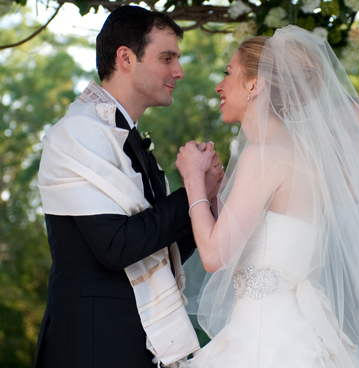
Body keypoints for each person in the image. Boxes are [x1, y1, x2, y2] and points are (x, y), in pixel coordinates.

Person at [177, 26, 359, 367]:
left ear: (255, 84)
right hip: (295, 328)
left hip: (264, 340)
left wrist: (191, 178)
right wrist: (212, 194)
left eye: (228, 73)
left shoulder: (264, 155)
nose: (220, 86)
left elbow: (214, 256)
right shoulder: (307, 159)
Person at [34, 6, 223, 367]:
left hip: (139, 345)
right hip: (91, 347)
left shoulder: (128, 139)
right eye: (167, 58)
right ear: (125, 57)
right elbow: (117, 246)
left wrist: (206, 199)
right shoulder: (77, 134)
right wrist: (193, 188)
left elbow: (158, 251)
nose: (179, 72)